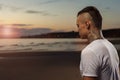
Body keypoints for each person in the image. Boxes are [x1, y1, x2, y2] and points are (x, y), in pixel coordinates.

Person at [76, 6, 120, 80]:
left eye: (78, 25)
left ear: (87, 24)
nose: (78, 29)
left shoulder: (90, 51)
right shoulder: (111, 46)